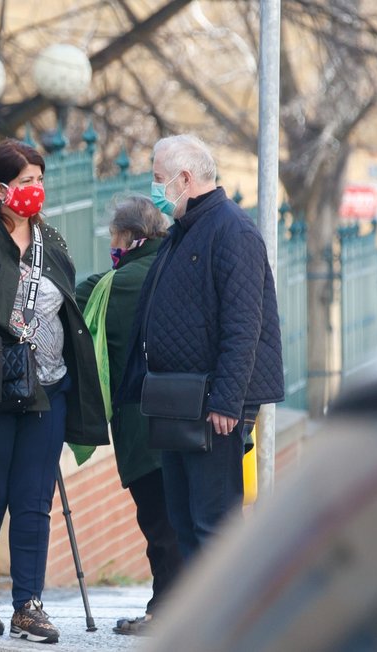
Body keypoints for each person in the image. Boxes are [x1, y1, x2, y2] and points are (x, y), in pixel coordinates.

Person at [0, 139, 108, 644]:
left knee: (33, 500)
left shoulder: (53, 241)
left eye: (40, 180)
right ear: (1, 187)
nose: (37, 190)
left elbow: (65, 306)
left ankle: (29, 604)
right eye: (27, 181)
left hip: (47, 388)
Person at [118, 134, 284, 570]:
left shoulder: (232, 230)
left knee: (214, 525)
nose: (154, 188)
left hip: (213, 407)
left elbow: (244, 325)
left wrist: (228, 401)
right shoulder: (186, 230)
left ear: (184, 179)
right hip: (177, 402)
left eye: (159, 178)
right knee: (185, 523)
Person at [74, 195, 183, 636]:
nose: (111, 247)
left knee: (159, 523)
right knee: (182, 519)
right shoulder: (178, 269)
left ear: (130, 238)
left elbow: (75, 310)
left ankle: (167, 612)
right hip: (191, 413)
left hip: (141, 421)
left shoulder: (112, 285)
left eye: (114, 239)